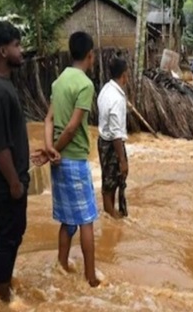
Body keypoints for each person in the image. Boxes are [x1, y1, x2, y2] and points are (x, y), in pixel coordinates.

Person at [0, 20, 47, 302]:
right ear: (3, 51)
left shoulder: (2, 86)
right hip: (4, 184)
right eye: (17, 45)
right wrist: (14, 182)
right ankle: (2, 296)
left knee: (12, 233)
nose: (22, 51)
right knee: (6, 236)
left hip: (8, 180)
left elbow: (7, 140)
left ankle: (3, 286)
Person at [44, 31, 100, 287]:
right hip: (74, 160)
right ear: (90, 56)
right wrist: (54, 150)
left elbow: (49, 120)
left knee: (68, 220)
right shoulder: (85, 85)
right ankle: (91, 279)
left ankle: (63, 266)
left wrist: (49, 151)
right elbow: (72, 128)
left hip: (57, 162)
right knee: (86, 220)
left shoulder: (59, 82)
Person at [97, 57, 130, 219]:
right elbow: (116, 133)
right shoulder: (116, 98)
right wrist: (122, 160)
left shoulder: (105, 90)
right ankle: (111, 216)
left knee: (109, 180)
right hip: (112, 144)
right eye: (127, 75)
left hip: (103, 141)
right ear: (123, 75)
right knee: (111, 183)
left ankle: (110, 215)